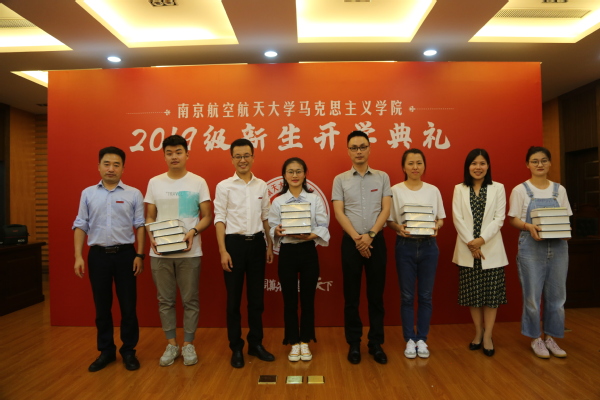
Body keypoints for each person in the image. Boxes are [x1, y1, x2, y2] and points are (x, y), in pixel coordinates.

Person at [73, 146, 145, 372]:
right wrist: (78, 256)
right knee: (102, 307)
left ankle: (129, 351)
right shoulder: (88, 193)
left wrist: (140, 254)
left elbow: (140, 225)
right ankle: (106, 351)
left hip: (126, 255)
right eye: (106, 164)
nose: (111, 168)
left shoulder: (133, 193)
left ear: (123, 168)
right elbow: (80, 225)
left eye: (116, 164)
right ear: (99, 166)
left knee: (128, 307)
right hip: (98, 256)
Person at [144, 135, 212, 367]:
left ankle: (188, 343)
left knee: (190, 299)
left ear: (187, 154)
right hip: (160, 253)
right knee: (165, 300)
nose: (174, 156)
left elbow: (207, 216)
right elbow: (150, 216)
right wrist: (151, 235)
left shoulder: (198, 182)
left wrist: (193, 231)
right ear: (164, 156)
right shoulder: (155, 182)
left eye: (179, 152)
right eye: (169, 153)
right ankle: (172, 344)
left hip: (189, 252)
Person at [214, 138, 275, 368]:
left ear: (253, 157)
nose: (242, 160)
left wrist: (269, 245)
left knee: (256, 300)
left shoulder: (261, 186)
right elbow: (219, 219)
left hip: (257, 244)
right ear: (232, 159)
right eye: (238, 156)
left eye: (246, 155)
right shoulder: (224, 186)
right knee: (233, 301)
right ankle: (236, 347)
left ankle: (256, 344)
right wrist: (223, 250)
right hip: (234, 245)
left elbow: (266, 217)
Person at [332, 131, 392, 365]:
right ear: (348, 151)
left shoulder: (382, 177)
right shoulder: (340, 180)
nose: (358, 151)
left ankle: (376, 343)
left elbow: (385, 210)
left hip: (376, 241)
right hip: (351, 242)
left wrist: (370, 236)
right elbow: (339, 212)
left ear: (369, 149)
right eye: (354, 147)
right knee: (351, 297)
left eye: (362, 146)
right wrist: (358, 239)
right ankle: (354, 343)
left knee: (376, 296)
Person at [508, 146, 572, 359]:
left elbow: (566, 217)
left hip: (559, 247)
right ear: (527, 164)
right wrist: (529, 226)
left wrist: (565, 231)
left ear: (550, 163)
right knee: (532, 297)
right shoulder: (520, 190)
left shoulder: (559, 190)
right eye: (534, 161)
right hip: (530, 247)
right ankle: (535, 338)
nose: (540, 164)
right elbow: (513, 219)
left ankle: (551, 337)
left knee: (557, 297)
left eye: (544, 160)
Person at [268, 157, 330, 362]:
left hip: (308, 251)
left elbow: (323, 224)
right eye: (290, 171)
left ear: (304, 174)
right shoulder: (278, 201)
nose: (295, 175)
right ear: (284, 175)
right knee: (289, 301)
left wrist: (311, 235)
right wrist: (277, 230)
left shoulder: (314, 199)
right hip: (287, 252)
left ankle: (305, 341)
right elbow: (272, 227)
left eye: (298, 171)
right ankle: (293, 342)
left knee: (308, 300)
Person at [388, 148, 445, 359]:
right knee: (407, 296)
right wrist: (398, 228)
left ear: (424, 166)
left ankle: (422, 338)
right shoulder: (395, 190)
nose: (415, 167)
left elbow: (440, 219)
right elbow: (390, 220)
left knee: (426, 295)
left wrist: (437, 226)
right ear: (403, 167)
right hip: (405, 246)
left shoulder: (433, 190)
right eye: (410, 163)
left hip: (429, 246)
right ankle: (409, 340)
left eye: (419, 163)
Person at [452, 149, 508, 357]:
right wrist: (472, 244)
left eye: (482, 163)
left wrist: (481, 241)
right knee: (473, 296)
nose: (478, 167)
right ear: (468, 166)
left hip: (491, 250)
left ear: (488, 166)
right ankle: (478, 332)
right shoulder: (459, 189)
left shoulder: (498, 188)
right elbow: (457, 218)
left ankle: (488, 336)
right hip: (468, 251)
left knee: (491, 297)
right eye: (474, 163)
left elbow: (499, 219)